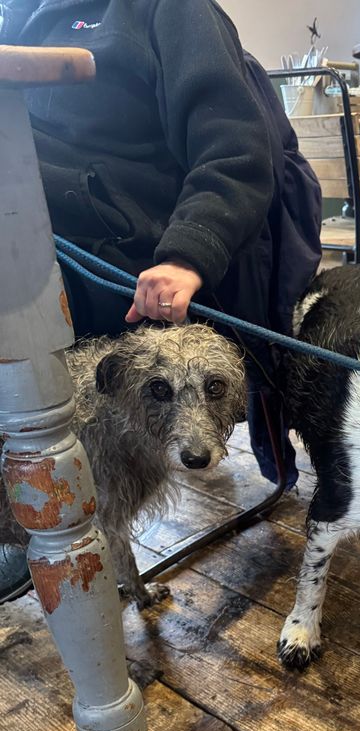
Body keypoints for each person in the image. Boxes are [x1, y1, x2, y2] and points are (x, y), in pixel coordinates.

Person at [0, 0, 322, 601]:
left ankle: (50, 506)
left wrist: (186, 252)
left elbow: (236, 148)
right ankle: (30, 504)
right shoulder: (23, 14)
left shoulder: (169, 10)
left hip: (128, 249)